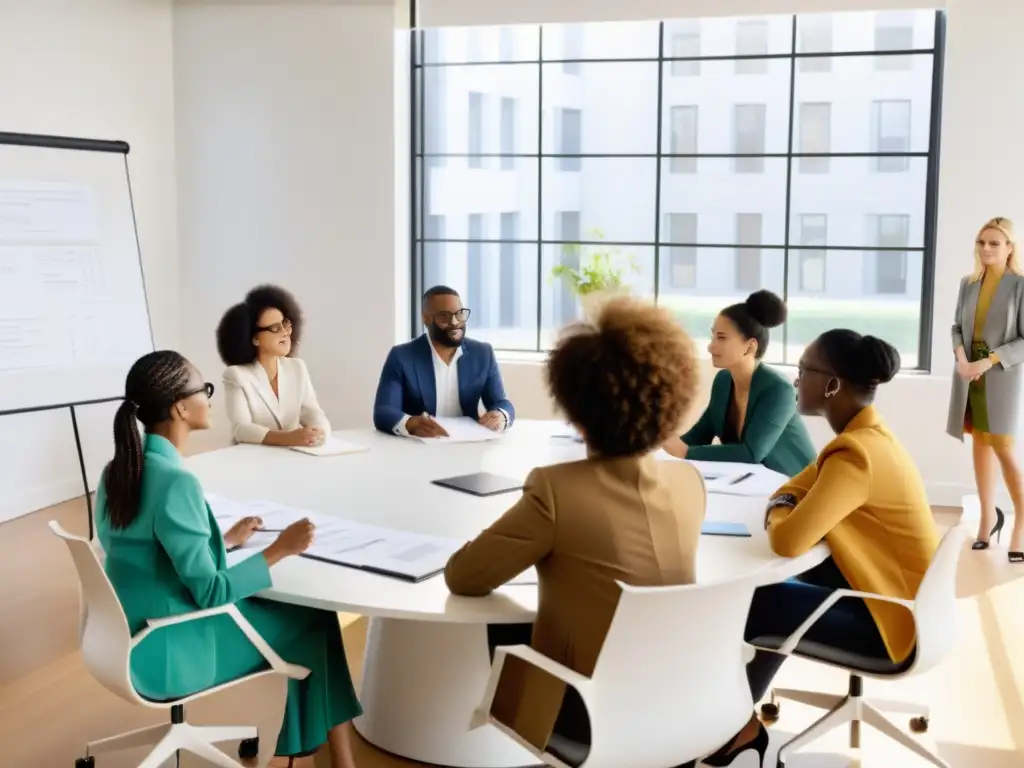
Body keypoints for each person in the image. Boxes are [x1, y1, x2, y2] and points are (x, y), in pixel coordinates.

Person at [444, 297, 705, 762]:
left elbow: (464, 577)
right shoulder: (690, 483)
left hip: (583, 712)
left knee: (504, 620)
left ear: (577, 412)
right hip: (682, 700)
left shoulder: (556, 490)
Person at [95, 351, 361, 768]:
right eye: (203, 389)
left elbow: (146, 551)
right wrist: (281, 549)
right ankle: (329, 759)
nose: (208, 398)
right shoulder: (175, 482)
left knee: (309, 621)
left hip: (126, 635)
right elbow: (212, 592)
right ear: (181, 407)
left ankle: (326, 756)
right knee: (316, 620)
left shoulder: (118, 470)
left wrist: (227, 540)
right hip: (171, 648)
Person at [703, 330, 939, 768]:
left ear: (832, 383)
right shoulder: (864, 438)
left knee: (750, 602)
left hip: (892, 624)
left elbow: (789, 538)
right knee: (778, 591)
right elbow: (796, 485)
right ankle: (733, 722)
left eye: (804, 370)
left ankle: (732, 725)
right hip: (903, 602)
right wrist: (786, 502)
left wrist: (778, 510)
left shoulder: (854, 456)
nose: (795, 379)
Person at [662, 290, 815, 477]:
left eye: (721, 337)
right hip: (751, 482)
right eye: (713, 337)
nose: (711, 346)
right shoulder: (723, 381)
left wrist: (686, 452)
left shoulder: (778, 390)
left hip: (797, 486)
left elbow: (752, 452)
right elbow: (698, 435)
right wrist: (661, 442)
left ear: (750, 347)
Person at [947, 216, 1024, 563]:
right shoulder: (968, 283)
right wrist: (963, 359)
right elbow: (956, 328)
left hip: (999, 373)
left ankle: (1021, 523)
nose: (986, 248)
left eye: (994, 243)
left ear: (1009, 248)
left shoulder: (1020, 286)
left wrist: (985, 362)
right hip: (968, 374)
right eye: (981, 242)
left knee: (1003, 449)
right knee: (979, 443)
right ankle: (988, 518)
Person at [373, 285, 514, 437]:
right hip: (419, 447)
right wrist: (410, 423)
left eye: (459, 314)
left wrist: (501, 415)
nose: (454, 322)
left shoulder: (482, 353)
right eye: (445, 316)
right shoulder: (401, 356)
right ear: (426, 318)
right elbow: (384, 411)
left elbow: (502, 402)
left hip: (468, 445)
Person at [217, 285, 331, 447]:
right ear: (255, 338)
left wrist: (319, 432)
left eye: (285, 323)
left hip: (293, 456)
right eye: (275, 328)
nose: (285, 332)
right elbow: (241, 429)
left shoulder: (297, 367)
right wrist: (288, 438)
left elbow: (313, 412)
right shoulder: (236, 375)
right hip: (253, 460)